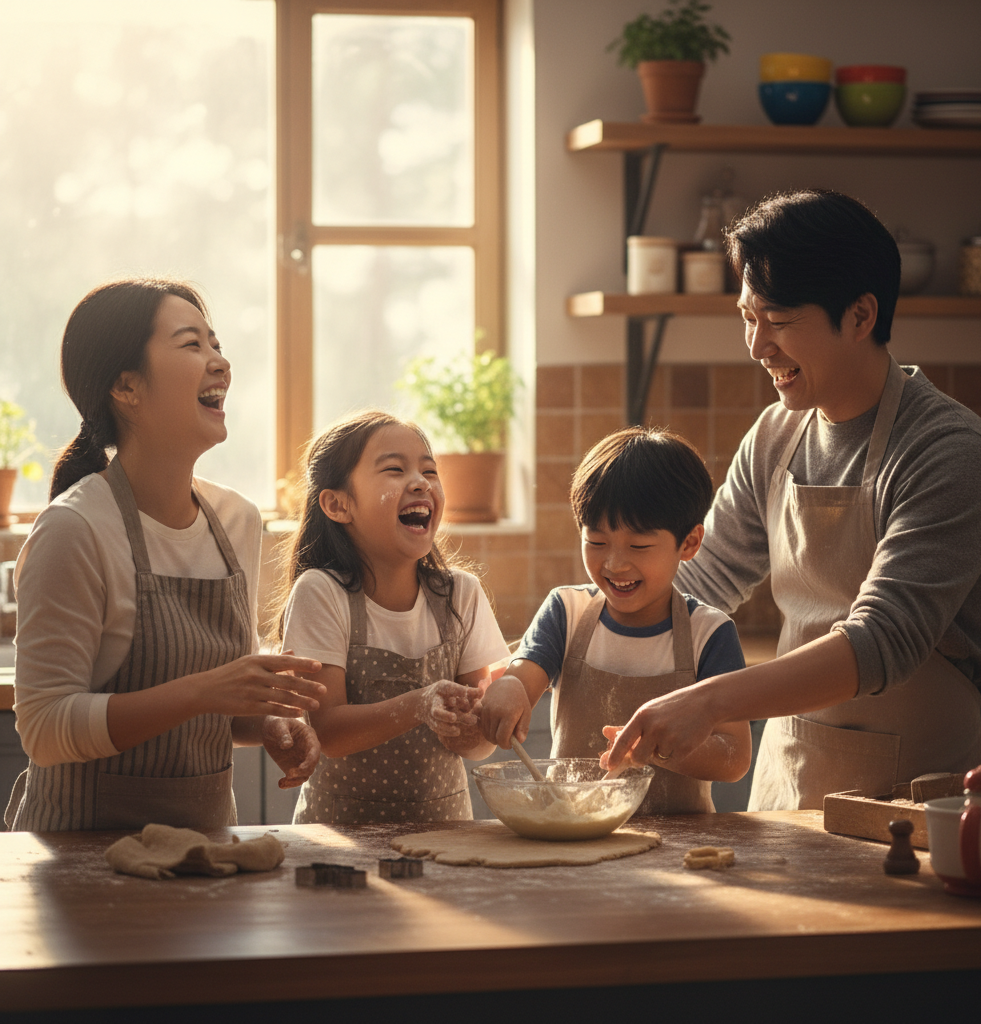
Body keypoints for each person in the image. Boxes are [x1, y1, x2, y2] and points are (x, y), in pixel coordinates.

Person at [604, 190, 981, 811]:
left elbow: (882, 640)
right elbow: (697, 583)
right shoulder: (775, 435)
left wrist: (710, 699)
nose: (756, 345)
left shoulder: (950, 452)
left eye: (780, 319)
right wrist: (566, 644)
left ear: (860, 315)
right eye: (747, 317)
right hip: (790, 792)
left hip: (926, 806)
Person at [6, 278, 326, 832]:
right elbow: (46, 727)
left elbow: (219, 710)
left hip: (203, 860)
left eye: (216, 343)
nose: (220, 362)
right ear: (126, 386)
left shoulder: (237, 522)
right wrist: (206, 689)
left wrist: (265, 721)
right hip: (83, 872)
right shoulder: (75, 529)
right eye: (192, 344)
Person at [478, 426, 750, 813]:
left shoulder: (710, 634)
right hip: (573, 834)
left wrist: (659, 747)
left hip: (680, 846)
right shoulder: (566, 612)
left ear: (689, 543)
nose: (614, 563)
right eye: (596, 541)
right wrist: (508, 689)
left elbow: (734, 757)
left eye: (639, 545)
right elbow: (525, 675)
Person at [276, 410, 510, 824]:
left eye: (429, 471)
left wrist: (475, 730)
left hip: (445, 830)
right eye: (394, 470)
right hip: (341, 836)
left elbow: (478, 747)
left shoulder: (461, 594)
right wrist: (420, 704)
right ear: (337, 504)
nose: (420, 482)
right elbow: (329, 731)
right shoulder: (321, 593)